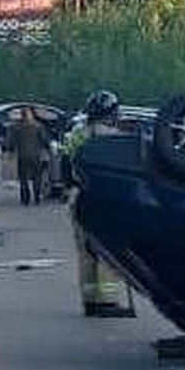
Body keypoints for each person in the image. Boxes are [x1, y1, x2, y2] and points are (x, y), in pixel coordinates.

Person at [69, 89, 135, 317]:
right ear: (110, 112)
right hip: (104, 198)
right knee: (108, 250)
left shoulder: (77, 134)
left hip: (78, 196)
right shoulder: (112, 137)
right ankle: (106, 300)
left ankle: (89, 300)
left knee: (86, 251)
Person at [11, 106, 48, 206]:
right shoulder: (38, 126)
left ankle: (25, 198)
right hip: (36, 155)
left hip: (22, 155)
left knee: (23, 177)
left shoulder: (17, 127)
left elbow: (12, 141)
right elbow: (44, 140)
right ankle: (36, 196)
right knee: (37, 176)